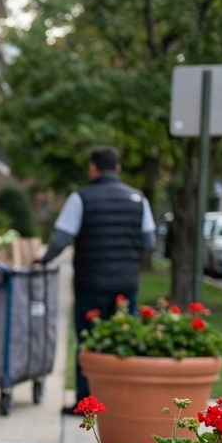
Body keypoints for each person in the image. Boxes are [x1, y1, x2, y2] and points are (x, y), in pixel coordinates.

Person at [40, 145, 156, 410]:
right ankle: (122, 403)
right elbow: (149, 244)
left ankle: (86, 404)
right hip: (126, 288)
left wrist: (42, 260)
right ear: (118, 168)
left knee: (88, 343)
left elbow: (61, 238)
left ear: (93, 168)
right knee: (124, 343)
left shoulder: (81, 198)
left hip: (90, 285)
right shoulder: (138, 199)